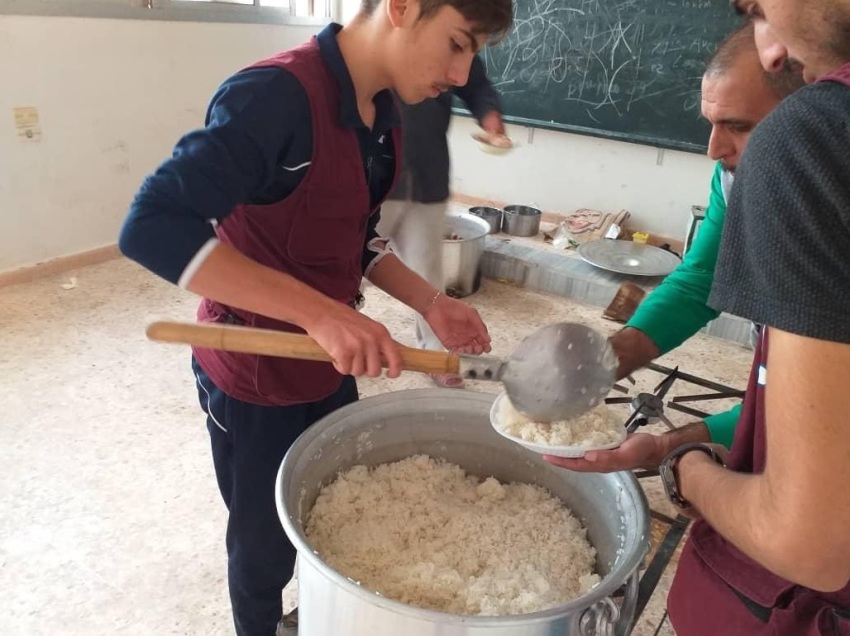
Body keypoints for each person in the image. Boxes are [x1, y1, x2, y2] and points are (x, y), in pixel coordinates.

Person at [117, 0, 513, 633]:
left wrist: (431, 303)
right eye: (457, 44)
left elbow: (356, 238)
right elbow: (151, 226)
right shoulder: (272, 96)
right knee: (262, 550)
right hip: (254, 372)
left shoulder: (383, 115)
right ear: (402, 8)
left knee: (328, 514)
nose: (462, 76)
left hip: (328, 367)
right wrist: (321, 314)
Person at [659, 0, 850, 631]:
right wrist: (615, 353)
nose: (772, 49)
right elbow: (699, 277)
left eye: (759, 8)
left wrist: (684, 465)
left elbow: (805, 540)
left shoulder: (812, 137)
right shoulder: (742, 171)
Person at [546, 21, 803, 473]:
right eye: (712, 124)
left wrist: (670, 449)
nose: (713, 149)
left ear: (815, 116)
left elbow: (809, 414)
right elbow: (702, 278)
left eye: (738, 126)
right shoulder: (735, 177)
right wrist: (608, 360)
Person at [377, 55, 504, 389]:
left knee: (428, 272)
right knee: (348, 267)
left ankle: (434, 355)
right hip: (377, 177)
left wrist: (489, 115)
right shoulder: (376, 45)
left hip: (428, 175)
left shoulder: (456, 46)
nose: (457, 71)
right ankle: (332, 342)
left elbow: (476, 85)